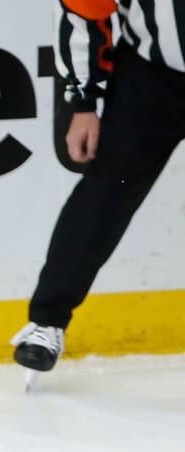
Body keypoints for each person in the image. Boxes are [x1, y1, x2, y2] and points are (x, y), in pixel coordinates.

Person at [11, 0, 185, 372]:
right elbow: (85, 8)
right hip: (152, 82)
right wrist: (83, 100)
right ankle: (47, 321)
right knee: (106, 196)